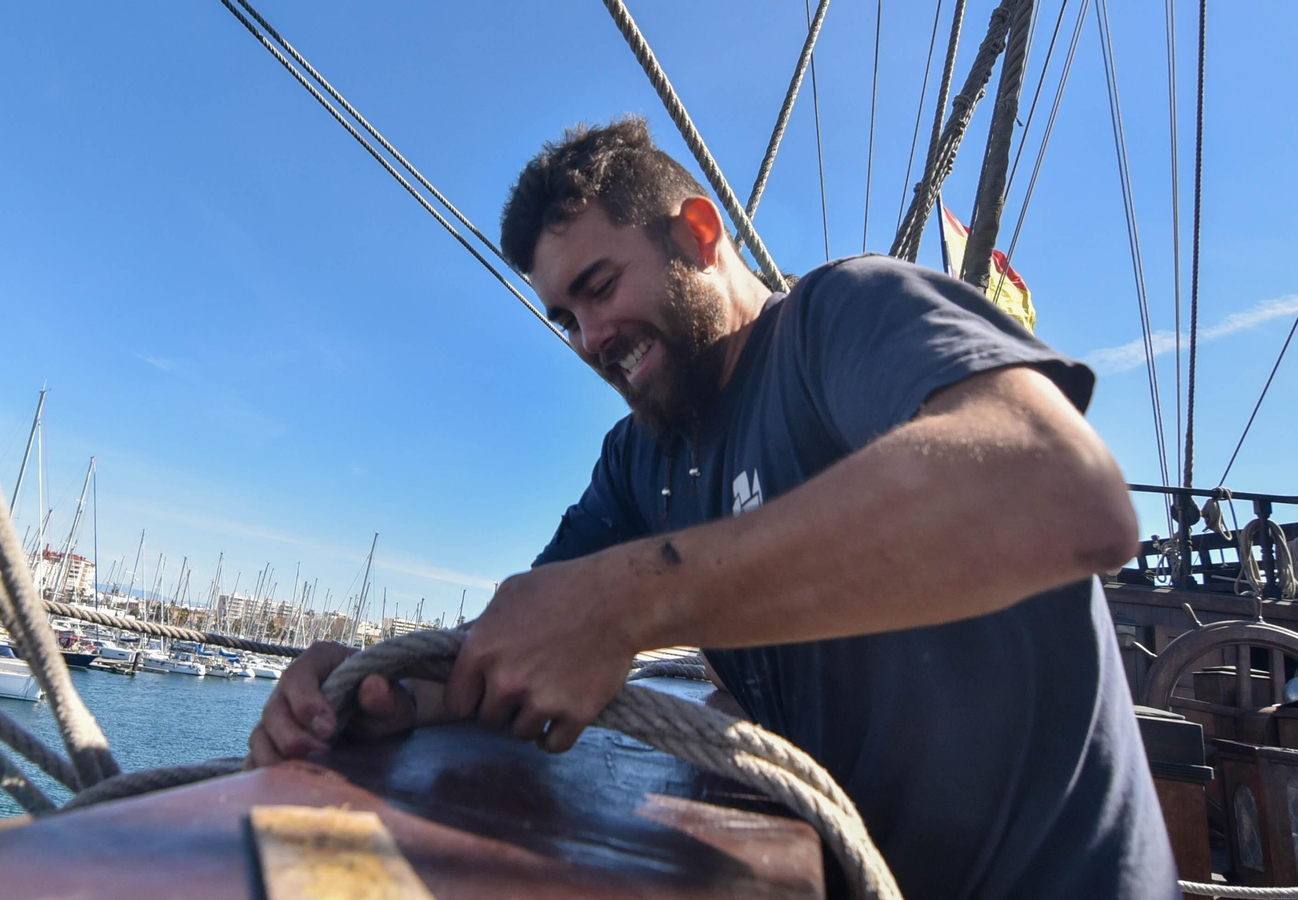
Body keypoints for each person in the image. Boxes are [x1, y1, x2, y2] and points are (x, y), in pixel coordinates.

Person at [247, 117, 1179, 898]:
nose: (589, 338)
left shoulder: (843, 318)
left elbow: (1055, 493)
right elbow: (530, 638)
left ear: (698, 233)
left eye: (600, 287)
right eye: (565, 319)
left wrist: (627, 601)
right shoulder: (640, 458)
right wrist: (370, 696)